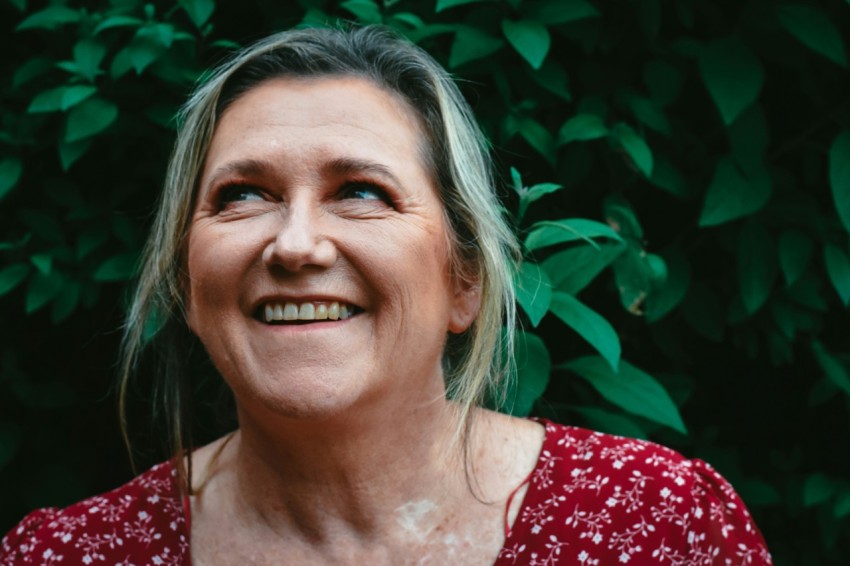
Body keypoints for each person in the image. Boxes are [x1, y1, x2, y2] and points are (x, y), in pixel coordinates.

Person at [1, 25, 771, 565]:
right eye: (243, 195)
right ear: (186, 283)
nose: (295, 244)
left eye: (361, 191)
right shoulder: (67, 557)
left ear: (464, 279)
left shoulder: (660, 526)